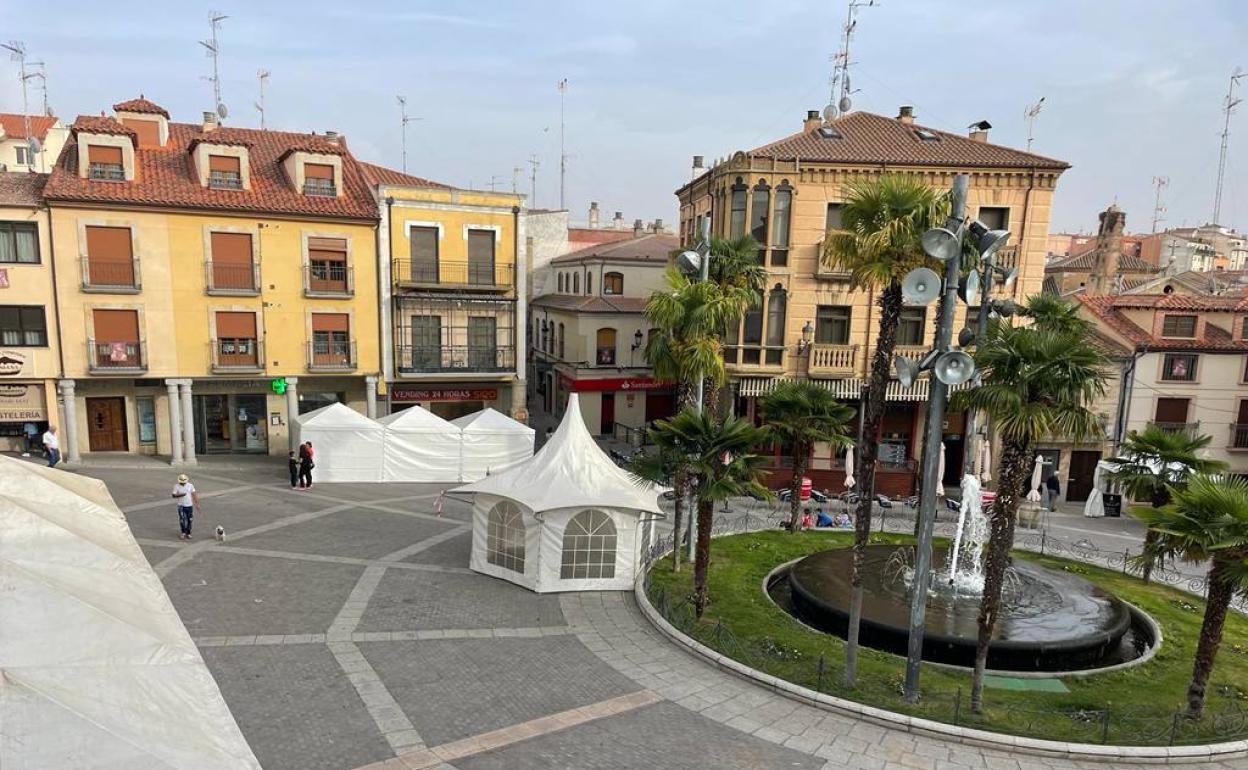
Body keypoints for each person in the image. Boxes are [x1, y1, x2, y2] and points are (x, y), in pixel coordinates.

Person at [171, 473, 200, 540]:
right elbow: (173, 495)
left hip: (189, 505)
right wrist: (180, 495)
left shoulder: (190, 485)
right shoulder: (176, 486)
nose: (183, 484)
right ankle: (183, 532)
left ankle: (188, 532)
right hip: (181, 505)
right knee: (182, 519)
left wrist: (197, 504)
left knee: (190, 519)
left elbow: (194, 494)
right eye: (182, 482)